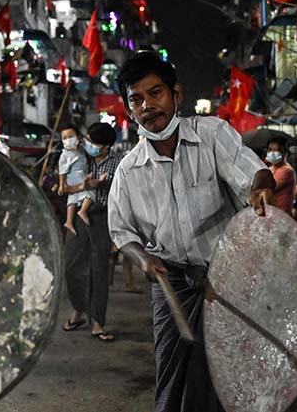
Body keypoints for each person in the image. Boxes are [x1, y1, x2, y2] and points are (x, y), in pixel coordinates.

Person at [108, 52, 276, 412]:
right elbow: (121, 231)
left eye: (156, 93)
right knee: (172, 372)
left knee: (227, 371)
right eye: (136, 99)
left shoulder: (211, 134)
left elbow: (254, 172)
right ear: (128, 109)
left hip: (226, 277)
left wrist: (262, 186)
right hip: (172, 284)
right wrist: (143, 258)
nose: (148, 106)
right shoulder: (128, 170)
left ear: (176, 94)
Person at [61, 122, 120, 342]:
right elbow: (64, 186)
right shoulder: (79, 158)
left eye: (93, 142)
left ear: (106, 146)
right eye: (87, 140)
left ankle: (97, 321)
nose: (88, 144)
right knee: (72, 265)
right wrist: (81, 186)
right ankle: (79, 310)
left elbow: (117, 193)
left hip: (101, 217)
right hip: (77, 217)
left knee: (98, 270)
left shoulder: (117, 164)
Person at [57, 124, 92, 235]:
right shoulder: (64, 155)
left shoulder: (81, 150)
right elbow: (62, 171)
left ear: (78, 137)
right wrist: (61, 185)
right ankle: (83, 211)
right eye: (65, 138)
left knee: (72, 200)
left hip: (78, 178)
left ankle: (69, 221)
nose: (68, 140)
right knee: (89, 194)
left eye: (71, 136)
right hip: (76, 177)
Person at [265, 136, 297, 214]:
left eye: (276, 150)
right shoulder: (271, 169)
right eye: (270, 150)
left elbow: (267, 188)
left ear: (285, 153)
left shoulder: (286, 171)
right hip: (272, 213)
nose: (272, 153)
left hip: (281, 215)